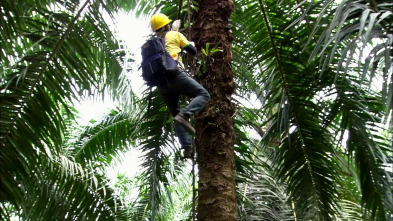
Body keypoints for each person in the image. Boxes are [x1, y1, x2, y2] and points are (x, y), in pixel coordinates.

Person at [150, 13, 210, 158]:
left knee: (176, 114)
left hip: (161, 84)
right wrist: (184, 41)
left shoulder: (153, 44)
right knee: (203, 95)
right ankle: (186, 115)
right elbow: (193, 51)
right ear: (166, 26)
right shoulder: (174, 34)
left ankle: (187, 147)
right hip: (175, 75)